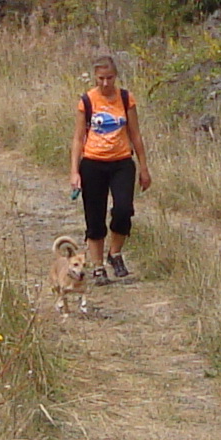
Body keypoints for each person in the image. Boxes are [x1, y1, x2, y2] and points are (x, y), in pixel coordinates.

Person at [71, 53, 152, 280]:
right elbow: (78, 138)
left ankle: (115, 253)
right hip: (93, 163)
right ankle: (98, 266)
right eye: (101, 78)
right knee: (94, 216)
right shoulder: (87, 101)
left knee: (123, 210)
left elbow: (135, 134)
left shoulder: (126, 99)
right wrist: (74, 172)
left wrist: (144, 167)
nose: (105, 83)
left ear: (115, 76)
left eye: (109, 78)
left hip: (122, 162)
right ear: (95, 77)